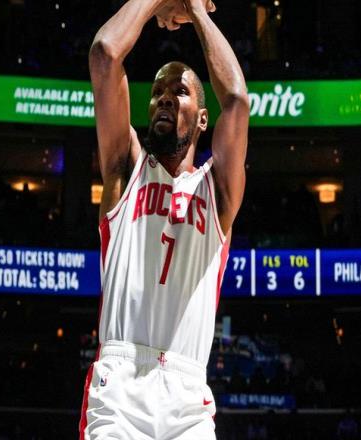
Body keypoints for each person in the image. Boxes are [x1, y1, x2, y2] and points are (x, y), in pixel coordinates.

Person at [81, 0, 249, 438]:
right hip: (120, 385)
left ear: (203, 118)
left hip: (187, 395)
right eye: (157, 92)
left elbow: (236, 100)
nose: (165, 98)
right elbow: (104, 53)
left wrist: (197, 11)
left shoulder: (218, 191)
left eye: (180, 92)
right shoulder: (126, 168)